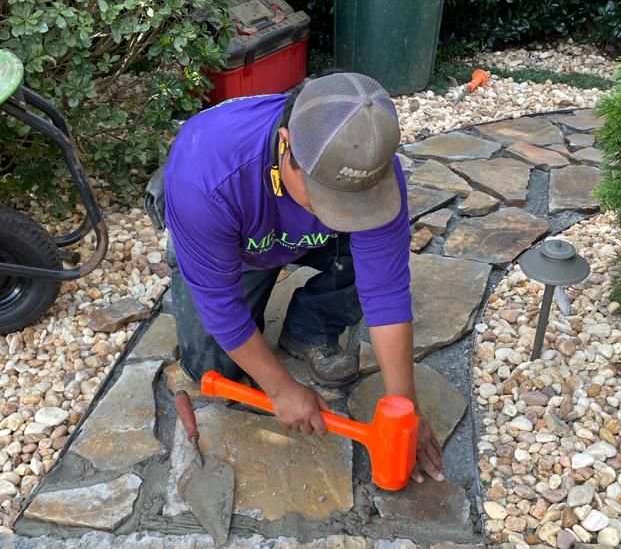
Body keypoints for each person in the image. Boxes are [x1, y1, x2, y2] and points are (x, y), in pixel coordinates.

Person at [145, 71, 443, 483]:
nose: (337, 211)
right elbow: (221, 306)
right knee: (212, 366)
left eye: (349, 204)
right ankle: (192, 251)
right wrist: (281, 388)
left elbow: (386, 287)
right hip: (235, 239)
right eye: (327, 198)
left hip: (291, 233)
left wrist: (404, 408)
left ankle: (308, 325)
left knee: (366, 256)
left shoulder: (364, 158)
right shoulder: (206, 175)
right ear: (286, 144)